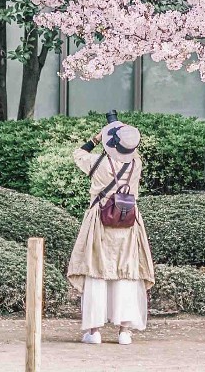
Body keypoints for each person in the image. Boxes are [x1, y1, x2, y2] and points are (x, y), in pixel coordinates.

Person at [65, 118, 155, 346]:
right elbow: (127, 151)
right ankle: (124, 331)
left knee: (97, 271)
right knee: (126, 272)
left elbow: (78, 154)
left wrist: (96, 138)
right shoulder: (137, 164)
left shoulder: (97, 163)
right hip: (128, 222)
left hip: (100, 221)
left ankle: (94, 331)